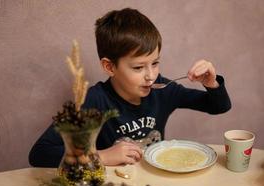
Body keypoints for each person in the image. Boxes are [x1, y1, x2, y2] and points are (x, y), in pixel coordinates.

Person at [28, 8, 231, 167]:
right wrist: (102, 156)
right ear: (109, 67)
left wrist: (210, 83)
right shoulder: (95, 100)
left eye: (155, 63)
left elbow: (219, 106)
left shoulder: (163, 89)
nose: (151, 75)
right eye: (138, 67)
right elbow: (40, 153)